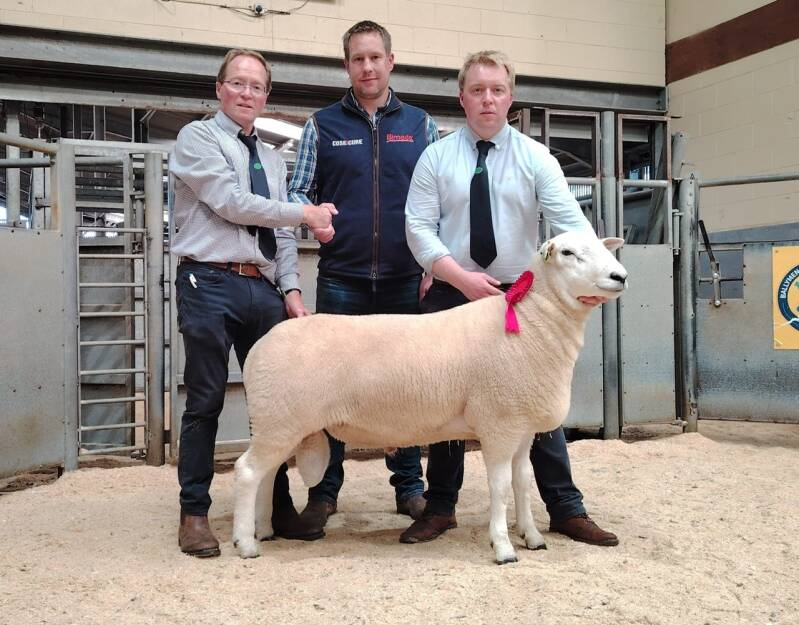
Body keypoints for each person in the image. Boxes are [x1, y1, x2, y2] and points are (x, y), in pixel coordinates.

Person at [402, 50, 619, 547]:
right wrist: (459, 277)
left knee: (535, 400)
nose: (487, 99)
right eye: (477, 90)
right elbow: (418, 227)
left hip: (520, 296)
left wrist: (594, 276)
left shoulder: (535, 157)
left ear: (510, 97)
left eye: (497, 90)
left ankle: (565, 508)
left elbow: (572, 224)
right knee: (446, 401)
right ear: (462, 97)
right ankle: (440, 508)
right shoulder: (436, 157)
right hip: (453, 292)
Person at [170, 48, 337, 557]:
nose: (247, 93)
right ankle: (194, 512)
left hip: (260, 287)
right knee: (205, 397)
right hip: (208, 278)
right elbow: (232, 203)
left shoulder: (271, 156)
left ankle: (275, 505)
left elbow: (280, 234)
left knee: (276, 401)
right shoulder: (198, 137)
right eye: (238, 83)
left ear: (266, 96)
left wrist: (291, 290)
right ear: (219, 88)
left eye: (256, 86)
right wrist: (304, 213)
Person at [288, 20, 438, 535]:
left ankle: (410, 488)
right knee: (329, 388)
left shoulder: (420, 125)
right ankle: (323, 494)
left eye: (376, 57)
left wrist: (431, 266)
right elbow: (297, 193)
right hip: (342, 279)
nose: (367, 67)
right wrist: (312, 217)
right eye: (358, 58)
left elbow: (438, 201)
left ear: (390, 61)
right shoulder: (321, 125)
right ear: (346, 64)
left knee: (407, 387)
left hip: (404, 278)